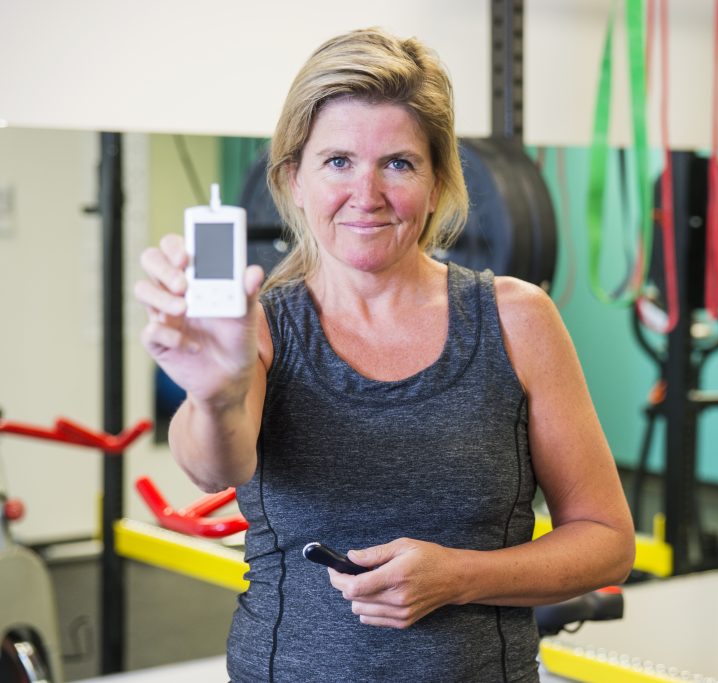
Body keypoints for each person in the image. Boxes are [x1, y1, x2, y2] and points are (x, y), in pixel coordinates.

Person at [135, 27, 634, 683]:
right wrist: (215, 392)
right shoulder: (261, 327)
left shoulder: (517, 320)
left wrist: (461, 575)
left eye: (397, 162)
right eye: (337, 160)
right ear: (293, 178)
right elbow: (213, 465)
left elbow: (606, 540)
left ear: (437, 181)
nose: (365, 193)